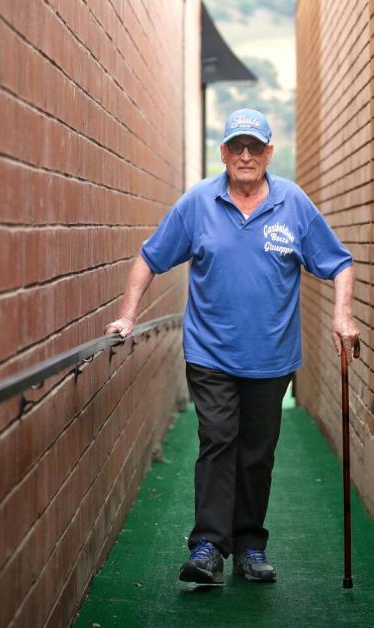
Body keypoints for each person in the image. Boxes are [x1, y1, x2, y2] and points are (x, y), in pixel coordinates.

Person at [105, 108, 359, 585]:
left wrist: (343, 314)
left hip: (272, 357)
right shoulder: (198, 203)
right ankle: (207, 546)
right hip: (211, 354)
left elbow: (339, 262)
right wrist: (127, 315)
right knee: (218, 440)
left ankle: (249, 546)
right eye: (236, 147)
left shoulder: (294, 204)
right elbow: (149, 258)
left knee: (257, 454)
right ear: (222, 152)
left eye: (255, 147)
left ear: (269, 153)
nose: (246, 156)